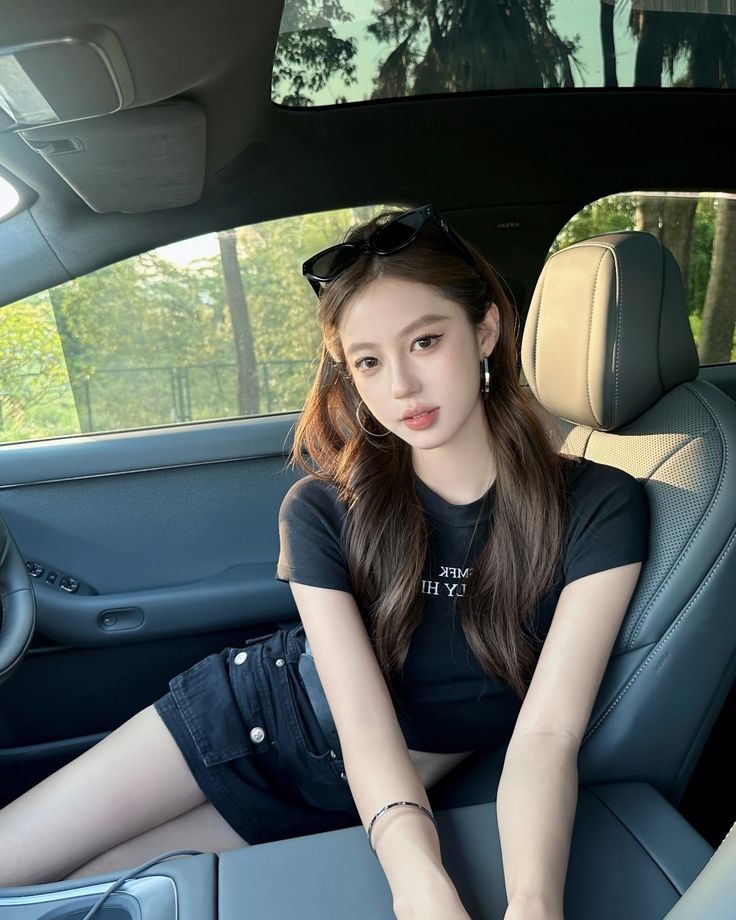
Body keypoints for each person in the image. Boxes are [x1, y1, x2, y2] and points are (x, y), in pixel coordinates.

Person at [0, 205, 648, 920]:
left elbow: (547, 737)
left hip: (348, 796)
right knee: (11, 870)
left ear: (486, 331)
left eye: (425, 341)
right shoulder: (325, 508)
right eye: (368, 361)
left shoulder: (597, 506)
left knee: (85, 905)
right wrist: (421, 887)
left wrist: (533, 902)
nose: (400, 385)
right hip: (248, 716)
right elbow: (364, 723)